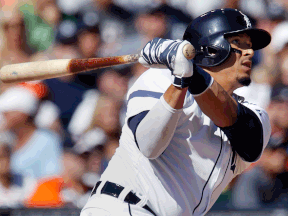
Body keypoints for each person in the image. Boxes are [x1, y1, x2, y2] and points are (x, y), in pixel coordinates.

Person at [80, 8, 272, 216]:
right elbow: (149, 145)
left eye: (250, 46)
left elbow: (241, 131)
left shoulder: (256, 114)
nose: (250, 52)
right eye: (239, 44)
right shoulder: (160, 80)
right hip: (124, 206)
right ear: (211, 49)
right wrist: (180, 82)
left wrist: (191, 73)